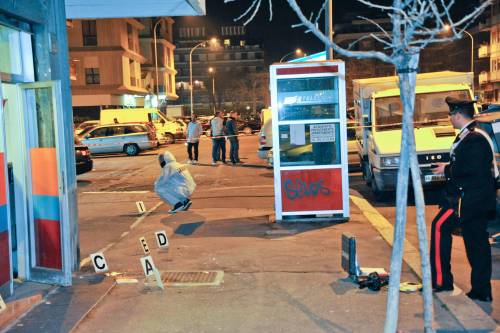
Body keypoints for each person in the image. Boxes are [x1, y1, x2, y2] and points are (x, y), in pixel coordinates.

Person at [430, 96, 496, 302]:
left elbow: (474, 170)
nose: (449, 118)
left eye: (451, 114)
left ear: (458, 115)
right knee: (476, 245)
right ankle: (480, 290)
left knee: (445, 229)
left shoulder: (474, 138)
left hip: (471, 201)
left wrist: (447, 169)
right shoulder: (470, 136)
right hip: (469, 200)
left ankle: (444, 281)